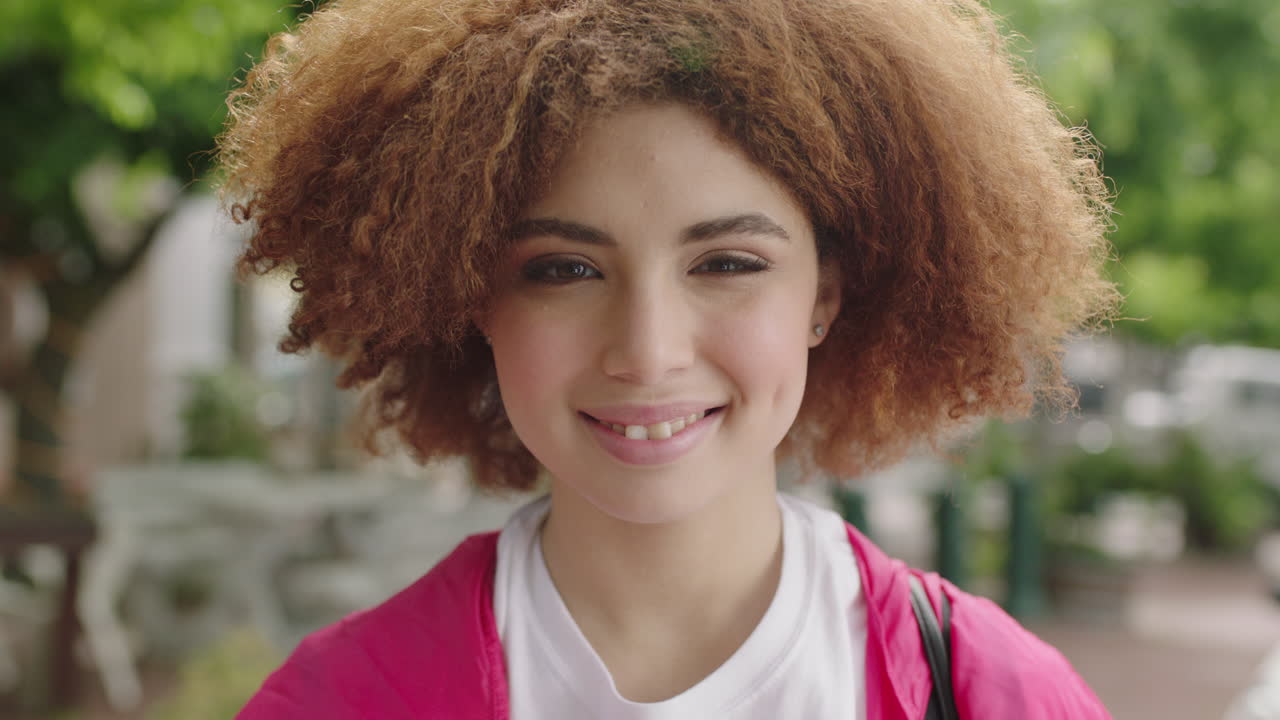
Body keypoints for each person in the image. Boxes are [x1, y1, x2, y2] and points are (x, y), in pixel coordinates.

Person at [219, 0, 1118, 717]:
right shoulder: (341, 700)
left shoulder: (994, 693)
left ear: (825, 295)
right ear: (468, 299)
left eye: (727, 264)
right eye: (564, 269)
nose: (648, 352)